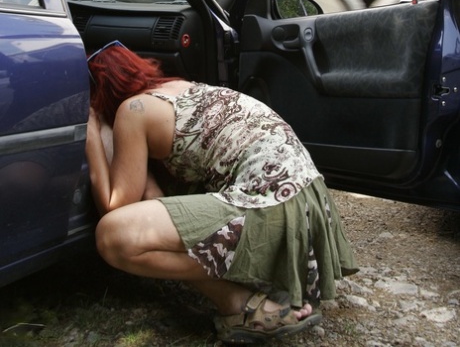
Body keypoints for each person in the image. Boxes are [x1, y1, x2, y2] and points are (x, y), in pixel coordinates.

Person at [85, 40, 357, 344]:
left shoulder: (133, 109)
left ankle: (246, 306)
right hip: (306, 201)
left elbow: (114, 207)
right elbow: (152, 195)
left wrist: (92, 131)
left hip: (270, 204)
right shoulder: (180, 87)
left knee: (113, 237)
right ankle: (258, 291)